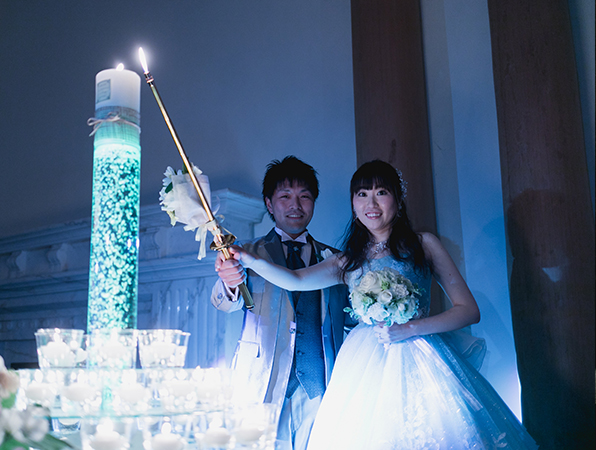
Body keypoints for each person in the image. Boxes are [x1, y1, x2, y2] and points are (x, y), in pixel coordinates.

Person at [218, 160, 538, 449]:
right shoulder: (347, 259)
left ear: (397, 201)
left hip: (421, 356)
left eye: (381, 193)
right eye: (362, 194)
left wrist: (411, 328)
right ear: (353, 204)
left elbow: (468, 310)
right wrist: (247, 259)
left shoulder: (424, 245)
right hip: (363, 364)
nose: (371, 204)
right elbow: (295, 280)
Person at [210, 156, 349, 450]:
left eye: (304, 196)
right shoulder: (247, 252)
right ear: (270, 204)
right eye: (285, 196)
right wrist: (230, 280)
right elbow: (225, 303)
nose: (295, 205)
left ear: (313, 202)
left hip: (321, 385)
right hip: (263, 382)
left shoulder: (335, 259)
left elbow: (350, 317)